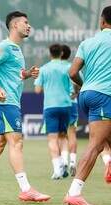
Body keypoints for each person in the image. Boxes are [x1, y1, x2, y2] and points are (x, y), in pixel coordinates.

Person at [0, 11, 50, 203]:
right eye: (25, 23)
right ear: (14, 25)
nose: (29, 26)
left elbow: (13, 74)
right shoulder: (4, 46)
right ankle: (26, 189)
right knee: (16, 142)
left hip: (8, 101)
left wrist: (26, 74)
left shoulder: (16, 49)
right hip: (5, 102)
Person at [64, 6, 111, 205]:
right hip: (105, 95)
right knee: (95, 145)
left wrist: (86, 86)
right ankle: (74, 193)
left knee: (103, 141)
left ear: (102, 22)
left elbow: (73, 72)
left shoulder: (88, 42)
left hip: (86, 95)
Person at [34, 44, 72, 179]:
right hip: (66, 105)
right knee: (63, 136)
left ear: (50, 54)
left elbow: (37, 90)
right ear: (61, 53)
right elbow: (77, 83)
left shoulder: (44, 69)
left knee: (52, 139)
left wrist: (49, 88)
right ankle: (65, 161)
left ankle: (57, 169)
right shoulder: (68, 67)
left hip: (50, 106)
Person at [60, 44, 78, 177]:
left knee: (61, 135)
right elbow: (78, 82)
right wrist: (75, 93)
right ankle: (73, 161)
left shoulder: (52, 67)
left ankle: (64, 161)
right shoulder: (72, 67)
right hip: (72, 103)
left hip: (59, 103)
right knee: (72, 134)